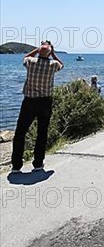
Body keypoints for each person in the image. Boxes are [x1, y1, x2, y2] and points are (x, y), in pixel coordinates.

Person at [11, 41, 64, 173]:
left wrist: (37, 50)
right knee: (42, 133)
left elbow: (24, 57)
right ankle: (38, 164)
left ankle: (16, 165)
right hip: (45, 103)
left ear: (39, 51)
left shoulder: (31, 62)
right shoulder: (53, 65)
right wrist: (53, 53)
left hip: (29, 102)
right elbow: (61, 65)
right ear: (50, 53)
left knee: (20, 132)